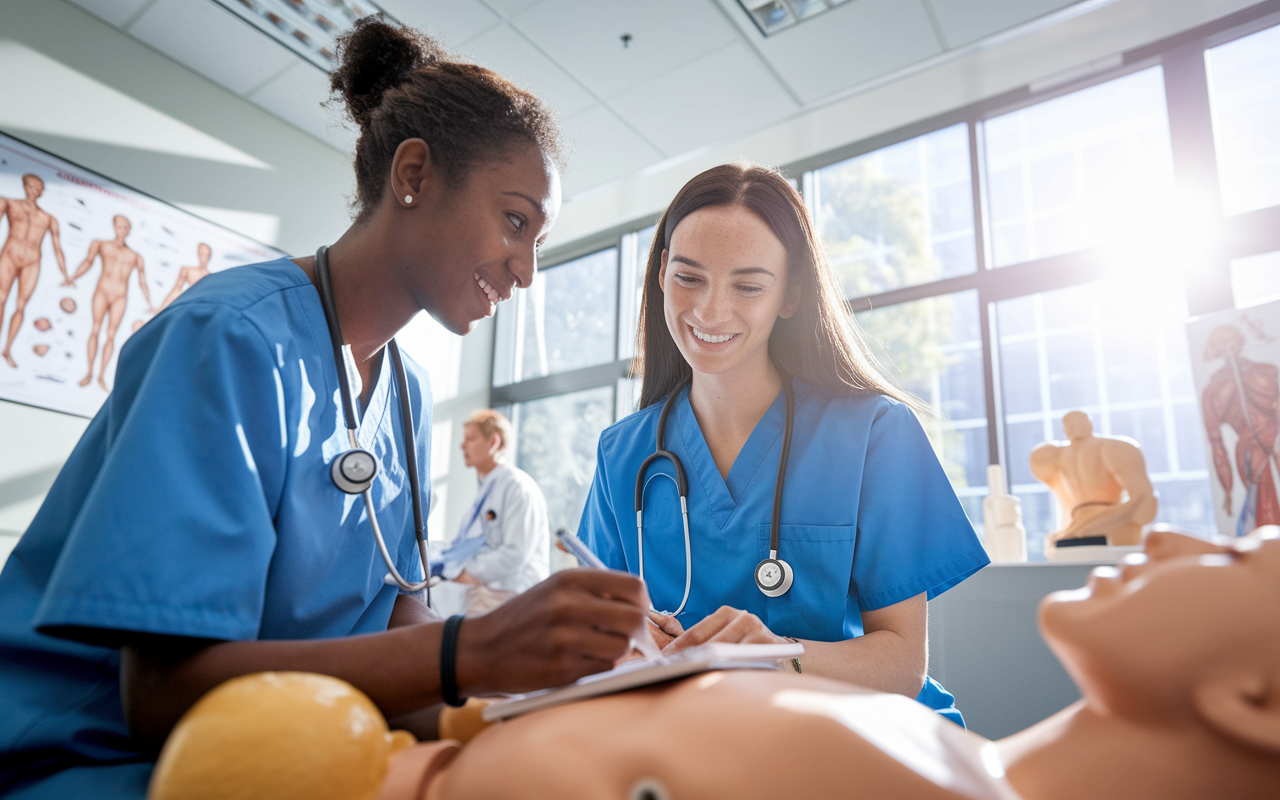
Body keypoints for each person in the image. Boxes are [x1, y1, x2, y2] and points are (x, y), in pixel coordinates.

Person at [0, 17, 650, 799]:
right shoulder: (229, 336)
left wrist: (524, 702)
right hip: (97, 762)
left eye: (539, 242)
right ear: (414, 173)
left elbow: (400, 629)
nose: (527, 271)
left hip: (289, 746)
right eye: (516, 221)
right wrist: (473, 651)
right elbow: (164, 698)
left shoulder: (407, 395)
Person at [147, 526, 1280, 800]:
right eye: (684, 280)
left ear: (1253, 702)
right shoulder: (961, 762)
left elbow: (893, 655)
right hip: (391, 745)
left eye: (1236, 551)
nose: (1178, 533)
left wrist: (781, 652)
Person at [579, 162, 989, 725]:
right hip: (700, 734)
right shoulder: (622, 455)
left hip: (858, 735)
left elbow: (901, 666)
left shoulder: (874, 435)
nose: (710, 311)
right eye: (688, 277)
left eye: (747, 286)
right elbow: (599, 636)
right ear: (660, 276)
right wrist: (620, 643)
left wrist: (776, 659)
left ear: (790, 296)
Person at [436, 409, 550, 595]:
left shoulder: (517, 486)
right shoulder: (488, 488)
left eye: (471, 439)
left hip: (514, 592)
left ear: (494, 442)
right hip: (487, 586)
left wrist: (466, 573)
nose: (462, 446)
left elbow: (515, 553)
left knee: (425, 602)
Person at [1029, 410, 1157, 548]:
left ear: (1089, 424)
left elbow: (1145, 499)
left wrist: (1098, 523)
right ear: (1064, 429)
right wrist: (1073, 529)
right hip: (1075, 525)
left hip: (1112, 526)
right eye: (1069, 425)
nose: (1073, 428)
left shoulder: (1114, 448)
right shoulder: (1055, 455)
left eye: (1078, 423)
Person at [1201, 323, 1280, 534]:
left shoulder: (1215, 390)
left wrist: (1228, 492)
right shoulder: (1214, 390)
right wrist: (1227, 492)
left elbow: (1218, 447)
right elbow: (1217, 447)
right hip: (1253, 450)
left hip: (1263, 445)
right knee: (1264, 509)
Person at [66, 214, 153, 390]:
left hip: (120, 295)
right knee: (96, 329)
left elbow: (142, 281)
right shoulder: (101, 245)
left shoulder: (135, 256)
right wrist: (73, 277)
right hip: (102, 291)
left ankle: (101, 376)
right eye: (120, 227)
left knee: (111, 334)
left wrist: (149, 303)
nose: (122, 231)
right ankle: (89, 372)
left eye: (126, 227)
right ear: (114, 227)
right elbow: (88, 261)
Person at [0, 173, 67, 368]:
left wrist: (65, 273)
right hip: (10, 256)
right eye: (31, 186)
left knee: (21, 306)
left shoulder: (47, 218)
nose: (34, 191)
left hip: (32, 261)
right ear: (24, 186)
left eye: (38, 188)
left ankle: (7, 349)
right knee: (1, 299)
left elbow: (57, 247)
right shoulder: (9, 204)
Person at [157, 242, 213, 310]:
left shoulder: (210, 277)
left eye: (207, 254)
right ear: (198, 254)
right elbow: (177, 289)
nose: (205, 257)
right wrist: (162, 308)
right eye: (202, 254)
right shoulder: (188, 270)